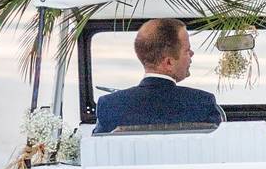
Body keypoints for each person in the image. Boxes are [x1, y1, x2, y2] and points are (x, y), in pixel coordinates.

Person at [93, 18, 222, 133]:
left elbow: (98, 151)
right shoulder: (202, 103)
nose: (192, 54)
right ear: (169, 62)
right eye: (187, 50)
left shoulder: (109, 105)